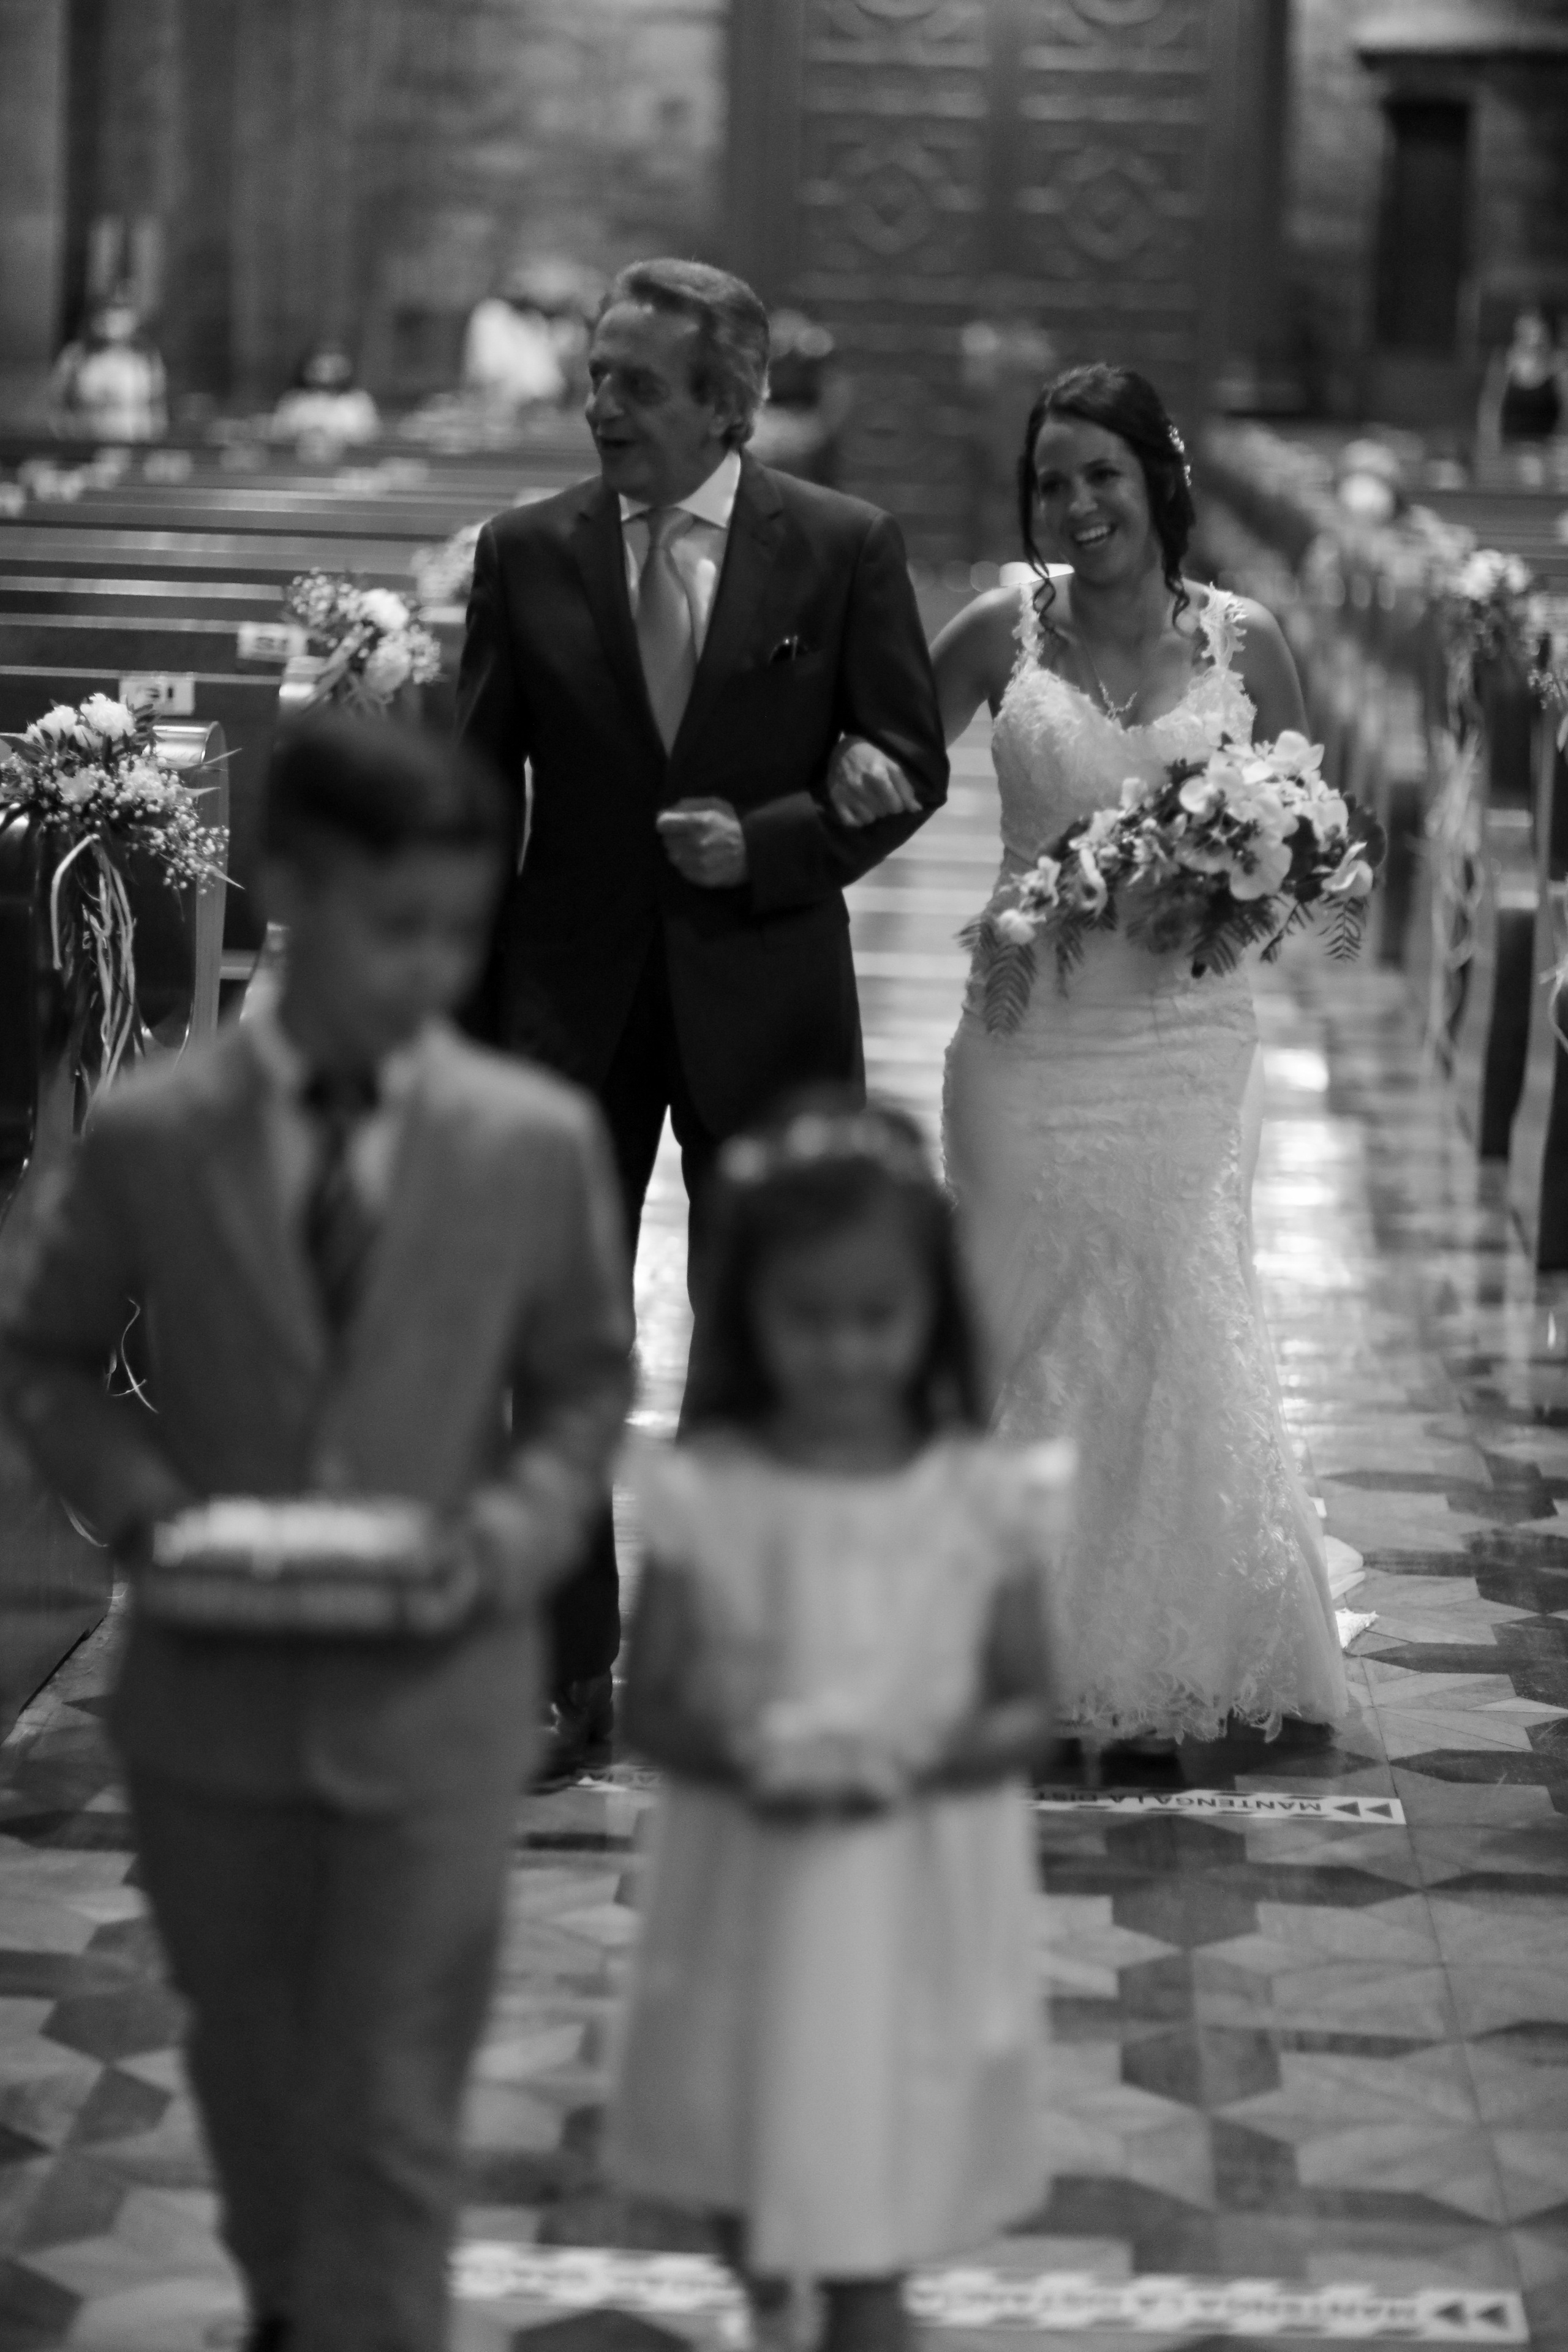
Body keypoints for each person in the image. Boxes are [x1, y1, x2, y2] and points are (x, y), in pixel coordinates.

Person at [0, 715, 633, 2352]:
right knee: (261, 2076)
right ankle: (294, 2295)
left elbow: (582, 1389)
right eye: (387, 925)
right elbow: (52, 1357)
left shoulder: (530, 1139)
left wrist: (513, 1531)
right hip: (221, 1697)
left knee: (396, 2102)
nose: (425, 970)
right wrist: (152, 1513)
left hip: (434, 1693)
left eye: (453, 934)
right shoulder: (160, 1130)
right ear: (291, 890)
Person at [457, 256, 948, 1779]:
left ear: (728, 405)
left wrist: (774, 843)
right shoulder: (525, 552)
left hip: (763, 994)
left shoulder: (839, 547)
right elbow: (473, 802)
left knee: (766, 1345)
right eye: (595, 378)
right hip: (566, 1000)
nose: (599, 408)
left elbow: (906, 759)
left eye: (635, 385)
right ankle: (565, 1672)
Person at [832, 362, 1349, 1752]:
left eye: (1100, 474)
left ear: (1156, 480)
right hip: (1027, 1037)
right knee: (1015, 1307)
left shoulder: (1245, 642)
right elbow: (882, 755)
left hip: (1182, 1039)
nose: (1075, 504)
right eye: (1050, 481)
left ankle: (1154, 1634)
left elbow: (1313, 833)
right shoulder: (1000, 627)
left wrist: (1234, 883)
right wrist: (831, 789)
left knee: (1167, 1306)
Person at [609, 1099, 1066, 2351]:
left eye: (876, 1317)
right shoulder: (714, 1491)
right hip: (750, 1882)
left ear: (931, 1315)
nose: (844, 1352)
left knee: (873, 2221)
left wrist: (911, 1758)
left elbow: (1026, 1702)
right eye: (806, 1318)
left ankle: (863, 2310)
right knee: (748, 2185)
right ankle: (767, 2291)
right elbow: (651, 1703)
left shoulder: (977, 1497)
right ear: (746, 1314)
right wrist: (756, 1753)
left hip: (908, 1895)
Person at [50, 293, 167, 440]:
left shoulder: (145, 356)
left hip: (131, 441)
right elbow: (57, 402)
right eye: (106, 316)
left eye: (120, 316)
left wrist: (152, 442)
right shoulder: (76, 356)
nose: (113, 323)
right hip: (85, 441)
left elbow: (157, 405)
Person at [1478, 304, 1564, 450]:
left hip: (1547, 448)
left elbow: (1565, 410)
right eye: (1527, 328)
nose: (1533, 334)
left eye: (1537, 327)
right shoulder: (1504, 360)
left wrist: (1560, 443)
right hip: (1510, 445)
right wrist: (1491, 443)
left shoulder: (1557, 363)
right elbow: (1491, 407)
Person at [271, 344, 381, 452]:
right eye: (320, 367)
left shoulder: (358, 401)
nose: (326, 372)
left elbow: (370, 437)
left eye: (333, 368)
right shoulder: (295, 400)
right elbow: (279, 434)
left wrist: (335, 437)